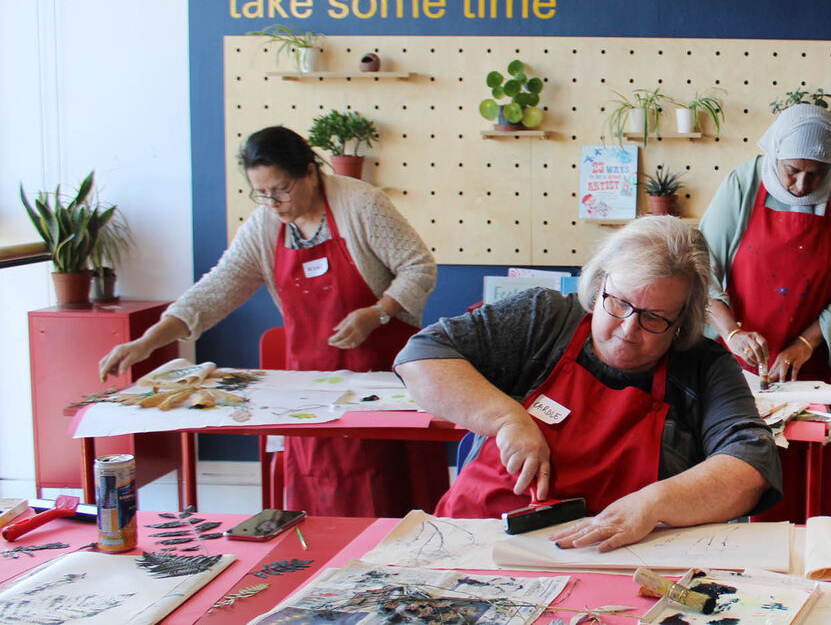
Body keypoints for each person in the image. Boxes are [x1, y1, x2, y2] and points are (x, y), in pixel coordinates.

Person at [98, 125, 448, 517]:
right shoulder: (264, 227)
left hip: (382, 379)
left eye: (281, 189)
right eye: (261, 193)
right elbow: (217, 289)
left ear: (311, 173)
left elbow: (418, 268)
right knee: (322, 497)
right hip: (313, 390)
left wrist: (377, 312)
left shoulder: (360, 204)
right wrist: (148, 341)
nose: (273, 202)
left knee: (391, 492)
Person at [394, 216, 782, 551]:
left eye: (655, 318)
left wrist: (653, 503)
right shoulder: (540, 318)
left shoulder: (704, 367)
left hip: (611, 559)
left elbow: (752, 464)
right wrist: (506, 419)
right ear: (599, 284)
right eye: (618, 303)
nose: (629, 330)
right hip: (476, 539)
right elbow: (421, 356)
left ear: (682, 321)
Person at [699, 104, 831, 523]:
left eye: (816, 173)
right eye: (793, 170)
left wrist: (802, 344)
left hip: (813, 366)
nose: (802, 184)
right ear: (774, 152)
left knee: (814, 485)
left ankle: (819, 572)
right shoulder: (743, 184)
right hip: (740, 365)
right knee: (740, 473)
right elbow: (701, 268)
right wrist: (733, 333)